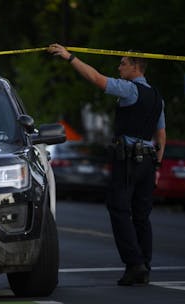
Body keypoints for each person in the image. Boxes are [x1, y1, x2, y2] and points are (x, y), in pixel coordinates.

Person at [48, 43, 166, 286]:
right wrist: (157, 166)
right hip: (148, 161)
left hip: (129, 161)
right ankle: (145, 263)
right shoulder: (157, 97)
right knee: (142, 216)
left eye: (123, 63)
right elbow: (161, 135)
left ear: (136, 67)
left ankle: (134, 264)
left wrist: (70, 58)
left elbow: (96, 78)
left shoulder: (129, 90)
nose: (118, 66)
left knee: (119, 209)